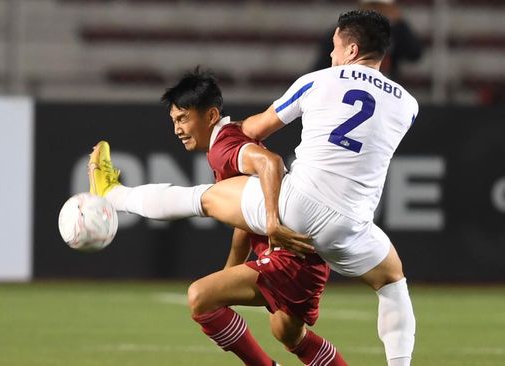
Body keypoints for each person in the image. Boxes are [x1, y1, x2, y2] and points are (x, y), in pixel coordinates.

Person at [89, 10, 417, 366]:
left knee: (204, 199)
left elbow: (258, 130)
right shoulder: (408, 105)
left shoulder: (320, 80)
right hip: (352, 225)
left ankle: (113, 194)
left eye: (335, 48)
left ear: (351, 49)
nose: (331, 56)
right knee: (392, 283)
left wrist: (227, 140)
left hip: (298, 207)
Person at [89, 68, 346, 365]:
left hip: (290, 259)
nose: (177, 129)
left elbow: (270, 163)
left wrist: (273, 222)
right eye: (173, 121)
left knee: (200, 296)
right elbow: (245, 219)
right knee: (287, 333)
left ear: (211, 116)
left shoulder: (223, 148)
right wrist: (229, 274)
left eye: (183, 118)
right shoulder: (228, 141)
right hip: (306, 259)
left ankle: (114, 194)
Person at [312, 0, 422, 82]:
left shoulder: (396, 32)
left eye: (382, 8)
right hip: (346, 87)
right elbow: (321, 66)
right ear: (362, 8)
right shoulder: (341, 33)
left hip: (384, 87)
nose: (376, 11)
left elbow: (414, 55)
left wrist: (400, 23)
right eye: (372, 6)